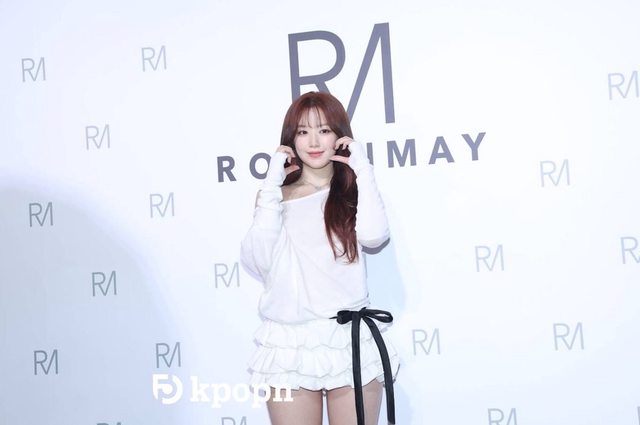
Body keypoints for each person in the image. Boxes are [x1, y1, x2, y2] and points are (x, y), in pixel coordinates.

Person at [240, 91, 400, 425]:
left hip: (348, 339)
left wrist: (362, 169)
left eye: (324, 130)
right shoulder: (273, 198)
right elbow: (259, 260)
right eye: (303, 131)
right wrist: (271, 184)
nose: (313, 141)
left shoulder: (355, 192)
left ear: (340, 137)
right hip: (289, 344)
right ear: (291, 140)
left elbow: (374, 236)